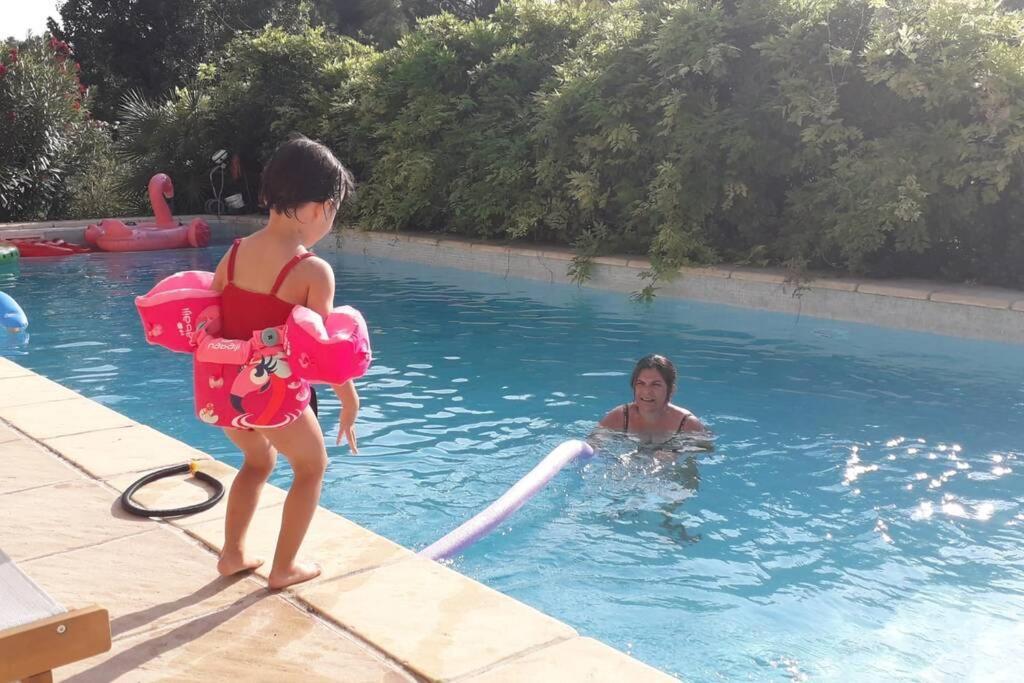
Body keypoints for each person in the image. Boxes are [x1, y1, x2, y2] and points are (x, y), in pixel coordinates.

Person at [209, 136, 359, 590]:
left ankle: (232, 555)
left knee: (257, 464)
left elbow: (214, 316)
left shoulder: (233, 254)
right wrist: (349, 401)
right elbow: (326, 350)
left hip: (228, 394)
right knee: (311, 468)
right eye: (333, 212)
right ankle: (284, 568)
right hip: (274, 395)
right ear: (320, 207)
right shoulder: (312, 270)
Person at [597, 354, 707, 445]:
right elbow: (592, 445)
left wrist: (677, 452)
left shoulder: (686, 423)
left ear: (671, 390)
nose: (647, 391)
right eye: (641, 383)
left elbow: (706, 449)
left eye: (656, 384)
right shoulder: (620, 417)